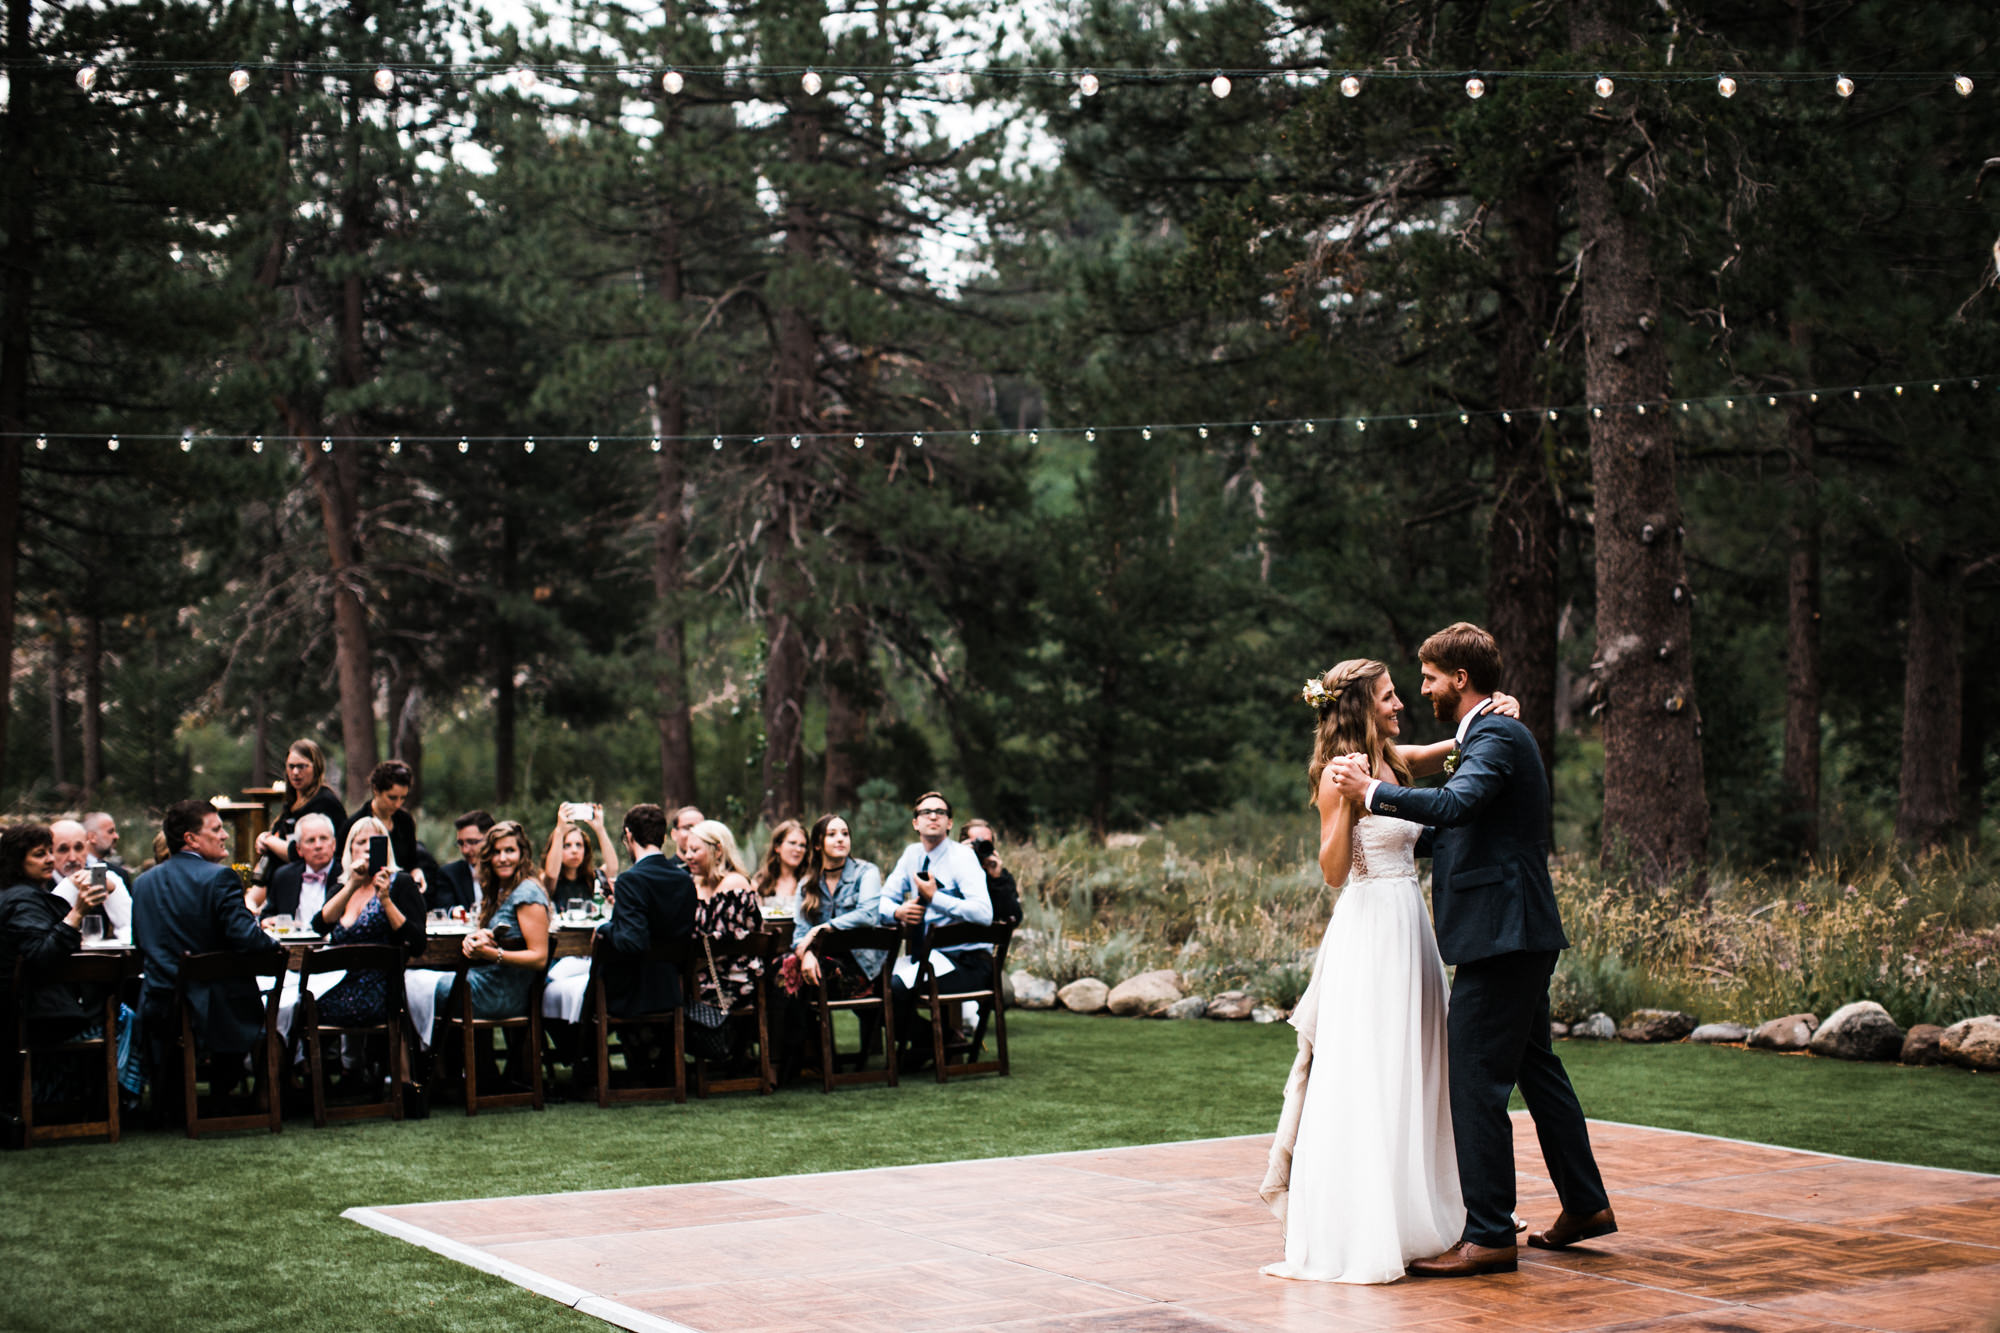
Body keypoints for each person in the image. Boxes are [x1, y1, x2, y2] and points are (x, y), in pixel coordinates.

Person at [1330, 623, 1613, 1278]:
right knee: (1536, 1067)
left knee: (1474, 1078)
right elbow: (1458, 827)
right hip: (1514, 931)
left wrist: (1370, 793)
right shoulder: (1482, 736)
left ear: (1460, 679)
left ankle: (1488, 1233)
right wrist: (1387, 831)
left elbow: (1456, 805)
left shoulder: (1496, 735)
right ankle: (1586, 1202)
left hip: (1503, 934)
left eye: (1428, 677)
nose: (1421, 688)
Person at [131, 801, 285, 1117]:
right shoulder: (219, 878)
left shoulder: (142, 883)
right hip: (212, 1007)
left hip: (159, 1002)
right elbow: (245, 936)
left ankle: (175, 1095)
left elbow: (141, 941)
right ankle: (237, 1088)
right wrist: (275, 946)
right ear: (190, 839)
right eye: (216, 829)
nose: (225, 836)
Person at [1, 824, 116, 1103]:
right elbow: (40, 956)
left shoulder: (20, 895)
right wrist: (78, 912)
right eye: (40, 855)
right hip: (38, 1014)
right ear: (18, 862)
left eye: (49, 853)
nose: (51, 860)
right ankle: (112, 1101)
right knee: (121, 1012)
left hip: (30, 1008)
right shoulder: (22, 901)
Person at [877, 792, 991, 1069]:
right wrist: (897, 911)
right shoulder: (911, 855)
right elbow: (881, 900)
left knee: (894, 989)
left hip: (966, 962)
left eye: (940, 812)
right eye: (926, 812)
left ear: (949, 823)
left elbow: (984, 914)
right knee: (870, 990)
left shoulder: (963, 858)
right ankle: (934, 1040)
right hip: (927, 959)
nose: (933, 816)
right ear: (916, 823)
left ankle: (927, 1044)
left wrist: (935, 898)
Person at [305, 816, 425, 1027]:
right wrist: (352, 885)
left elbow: (417, 943)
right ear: (350, 850)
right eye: (360, 842)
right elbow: (319, 926)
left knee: (300, 1011)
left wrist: (385, 900)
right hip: (337, 982)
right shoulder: (342, 888)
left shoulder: (401, 884)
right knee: (293, 1005)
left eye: (375, 842)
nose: (368, 848)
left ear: (386, 848)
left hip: (380, 989)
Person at [432, 820, 550, 1020]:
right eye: (496, 852)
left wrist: (492, 954)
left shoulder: (527, 893)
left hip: (500, 995)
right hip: (488, 985)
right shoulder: (501, 891)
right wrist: (476, 938)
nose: (503, 858)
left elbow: (539, 958)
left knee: (414, 984)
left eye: (510, 850)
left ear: (522, 854)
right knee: (416, 982)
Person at [683, 820, 765, 1055]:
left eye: (695, 850)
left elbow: (707, 935)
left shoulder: (734, 883)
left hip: (731, 980)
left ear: (718, 850)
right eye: (687, 850)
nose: (688, 856)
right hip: (701, 974)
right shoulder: (695, 884)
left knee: (666, 992)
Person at [252, 739, 346, 879]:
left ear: (316, 767)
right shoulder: (292, 802)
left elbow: (299, 853)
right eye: (291, 766)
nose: (295, 772)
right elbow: (280, 835)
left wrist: (269, 841)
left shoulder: (324, 802)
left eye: (301, 766)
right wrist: (264, 837)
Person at [49, 818, 133, 939]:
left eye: (78, 848)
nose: (72, 858)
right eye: (63, 850)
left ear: (87, 848)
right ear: (50, 852)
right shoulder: (40, 886)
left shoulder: (105, 880)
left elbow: (128, 928)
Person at [258, 813, 339, 923]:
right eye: (311, 840)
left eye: (323, 838)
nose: (318, 846)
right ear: (299, 849)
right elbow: (267, 915)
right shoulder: (284, 876)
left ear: (333, 844)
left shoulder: (346, 877)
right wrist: (268, 921)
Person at [345, 759, 419, 874]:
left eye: (403, 798)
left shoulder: (406, 821)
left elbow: (412, 861)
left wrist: (416, 871)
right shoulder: (356, 823)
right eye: (392, 798)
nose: (398, 804)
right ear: (376, 790)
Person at [541, 804, 618, 913]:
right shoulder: (549, 880)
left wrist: (600, 829)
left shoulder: (591, 879)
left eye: (579, 845)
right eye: (567, 845)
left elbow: (612, 867)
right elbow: (552, 873)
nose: (574, 850)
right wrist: (559, 831)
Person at [431, 810, 493, 916]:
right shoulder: (450, 874)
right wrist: (455, 912)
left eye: (472, 842)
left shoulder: (503, 871)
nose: (465, 850)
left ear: (490, 839)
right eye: (461, 843)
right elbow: (444, 909)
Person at [960, 819, 1020, 925]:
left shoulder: (1000, 875)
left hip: (987, 937)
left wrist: (997, 879)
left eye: (986, 843)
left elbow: (1013, 918)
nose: (980, 846)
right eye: (977, 842)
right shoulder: (950, 869)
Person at [750, 819, 808, 915]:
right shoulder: (760, 882)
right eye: (792, 843)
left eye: (803, 845)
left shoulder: (810, 881)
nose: (798, 849)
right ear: (777, 847)